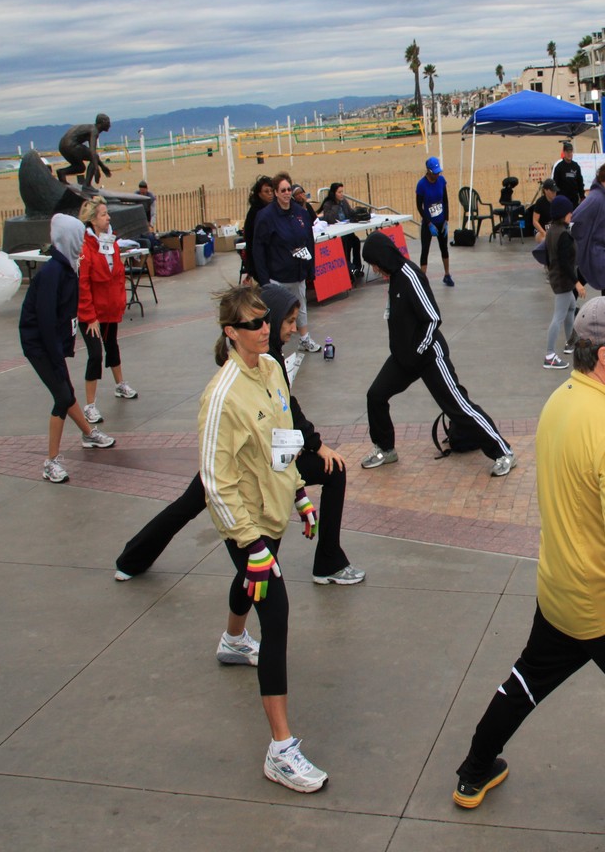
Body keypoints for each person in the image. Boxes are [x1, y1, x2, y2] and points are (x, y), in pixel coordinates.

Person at [453, 296, 605, 852]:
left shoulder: (558, 402)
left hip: (558, 591)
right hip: (603, 607)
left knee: (528, 679)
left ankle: (474, 770)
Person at [113, 282, 363, 586]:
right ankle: (327, 563)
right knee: (194, 504)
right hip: (246, 461)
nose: (293, 328)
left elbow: (286, 408)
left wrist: (304, 469)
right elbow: (289, 411)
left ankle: (133, 557)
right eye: (287, 321)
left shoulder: (268, 357)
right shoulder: (259, 359)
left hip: (262, 456)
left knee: (189, 505)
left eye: (291, 320)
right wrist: (318, 446)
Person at [198, 284, 329, 793]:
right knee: (275, 614)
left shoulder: (273, 368)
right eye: (254, 324)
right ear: (231, 333)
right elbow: (215, 481)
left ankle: (233, 639)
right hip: (245, 523)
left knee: (250, 584)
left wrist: (299, 493)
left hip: (273, 512)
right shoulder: (222, 396)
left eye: (265, 321)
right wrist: (250, 546)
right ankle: (280, 750)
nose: (265, 329)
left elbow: (282, 441)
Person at [358, 230, 514, 476]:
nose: (375, 269)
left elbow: (432, 318)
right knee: (375, 395)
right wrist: (405, 354)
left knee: (458, 407)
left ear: (383, 257)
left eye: (375, 264)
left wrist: (418, 351)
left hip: (430, 355)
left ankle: (503, 452)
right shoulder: (394, 278)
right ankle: (385, 449)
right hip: (404, 357)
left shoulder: (411, 276)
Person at [19, 213, 115, 483]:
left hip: (51, 344)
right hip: (38, 344)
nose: (83, 243)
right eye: (79, 239)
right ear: (68, 240)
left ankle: (88, 434)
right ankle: (51, 462)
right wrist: (56, 356)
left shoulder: (68, 268)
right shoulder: (52, 273)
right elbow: (46, 320)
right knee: (62, 397)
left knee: (66, 391)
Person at [76, 197, 137, 426]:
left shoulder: (111, 243)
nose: (108, 217)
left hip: (109, 308)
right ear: (93, 220)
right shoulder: (85, 247)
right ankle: (90, 405)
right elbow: (83, 285)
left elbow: (118, 276)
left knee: (112, 345)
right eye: (103, 214)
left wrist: (119, 302)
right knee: (95, 354)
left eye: (107, 213)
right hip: (91, 313)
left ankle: (120, 384)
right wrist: (90, 317)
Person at [253, 173, 323, 353]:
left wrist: (310, 268)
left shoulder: (301, 213)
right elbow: (258, 249)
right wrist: (264, 279)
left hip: (298, 273)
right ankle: (274, 347)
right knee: (277, 313)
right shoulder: (265, 216)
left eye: (288, 189)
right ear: (276, 192)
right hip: (277, 275)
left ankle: (305, 339)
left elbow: (308, 240)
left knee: (301, 306)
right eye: (282, 190)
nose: (286, 193)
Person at [541, 195, 583, 369]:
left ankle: (570, 343)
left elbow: (546, 256)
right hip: (563, 281)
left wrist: (551, 272)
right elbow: (565, 263)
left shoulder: (551, 230)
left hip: (557, 278)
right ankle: (550, 355)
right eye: (569, 212)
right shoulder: (563, 235)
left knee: (571, 308)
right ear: (563, 214)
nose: (571, 215)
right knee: (558, 317)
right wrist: (577, 283)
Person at [571, 162, 605, 297]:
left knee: (584, 274)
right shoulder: (595, 198)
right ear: (602, 181)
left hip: (604, 247)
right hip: (595, 249)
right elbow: (575, 216)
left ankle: (568, 304)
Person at [415, 157, 453, 286]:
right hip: (429, 223)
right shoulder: (421, 185)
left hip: (441, 221)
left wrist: (446, 220)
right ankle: (422, 279)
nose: (437, 175)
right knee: (425, 250)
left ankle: (447, 274)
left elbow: (445, 201)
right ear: (429, 171)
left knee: (444, 248)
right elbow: (419, 206)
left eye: (438, 172)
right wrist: (429, 223)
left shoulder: (441, 181)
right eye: (435, 173)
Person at [318, 182, 363, 280]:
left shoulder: (344, 202)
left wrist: (357, 213)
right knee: (345, 245)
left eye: (342, 192)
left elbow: (350, 213)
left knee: (356, 241)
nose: (342, 194)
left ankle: (357, 267)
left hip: (346, 230)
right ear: (334, 193)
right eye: (339, 192)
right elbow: (329, 219)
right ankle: (350, 270)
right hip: (337, 234)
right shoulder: (328, 204)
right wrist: (336, 206)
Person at [57, 114, 113, 188]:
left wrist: (102, 166)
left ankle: (62, 172)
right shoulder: (94, 130)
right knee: (94, 157)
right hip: (71, 145)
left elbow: (91, 152)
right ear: (102, 122)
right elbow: (93, 151)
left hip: (62, 146)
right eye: (108, 122)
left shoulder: (89, 128)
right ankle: (87, 185)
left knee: (80, 168)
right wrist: (97, 169)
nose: (110, 125)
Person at [242, 176, 274, 281]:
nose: (270, 194)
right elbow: (251, 239)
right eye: (266, 191)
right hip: (261, 260)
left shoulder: (276, 208)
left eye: (272, 191)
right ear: (259, 194)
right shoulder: (255, 213)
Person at [553, 141, 585, 206]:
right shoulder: (559, 167)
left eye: (571, 152)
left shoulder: (576, 166)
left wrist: (582, 196)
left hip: (574, 200)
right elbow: (555, 184)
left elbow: (580, 182)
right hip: (562, 200)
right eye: (567, 152)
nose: (569, 154)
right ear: (564, 152)